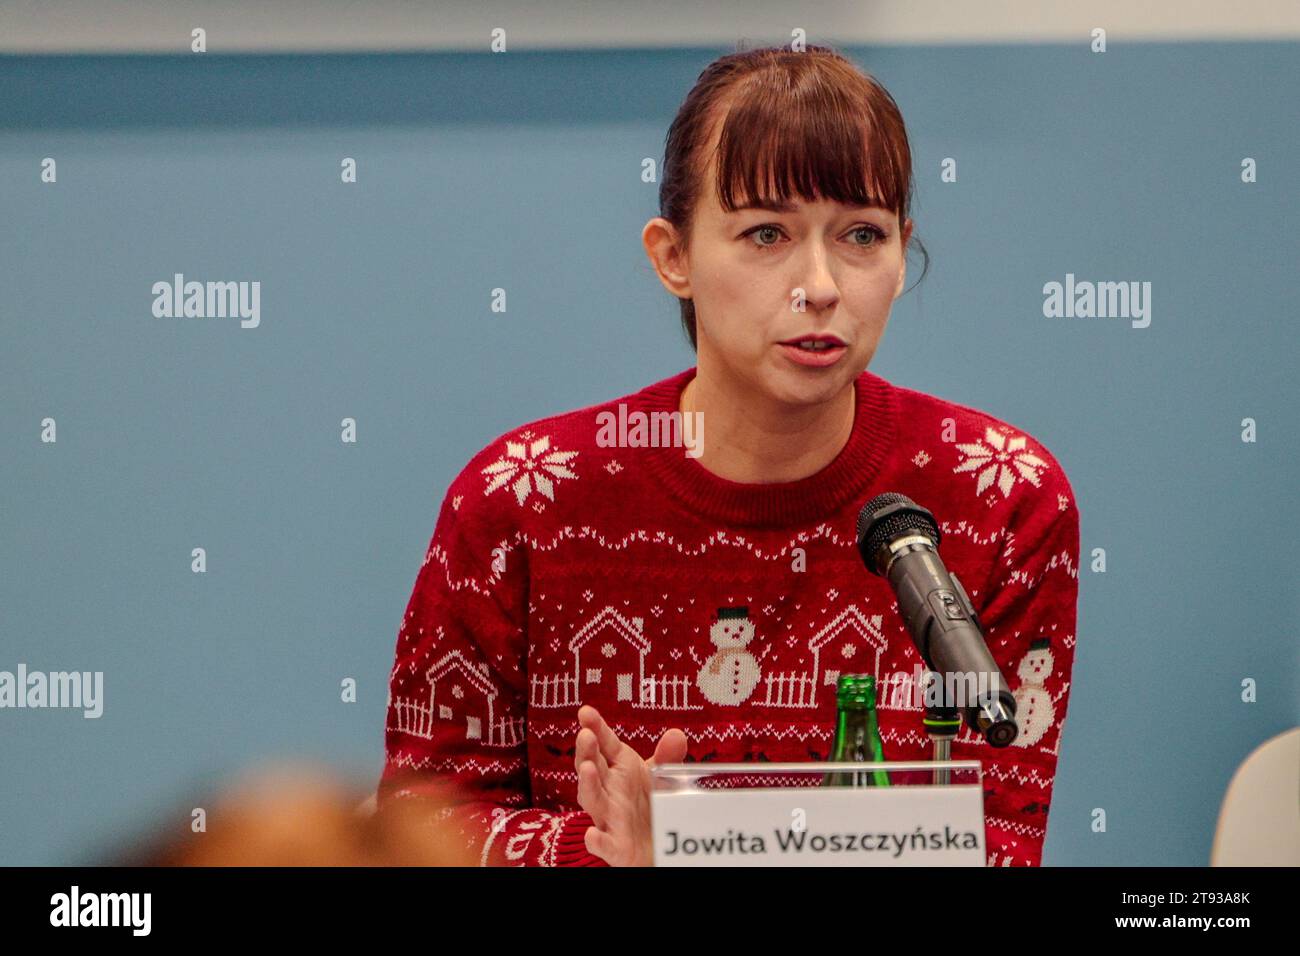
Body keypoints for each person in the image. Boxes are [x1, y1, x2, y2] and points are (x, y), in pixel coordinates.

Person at [377, 44, 1080, 867]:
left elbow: (999, 840)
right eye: (765, 234)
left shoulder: (1001, 495)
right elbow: (415, 834)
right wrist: (607, 851)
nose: (819, 284)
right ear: (672, 256)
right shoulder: (522, 499)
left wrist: (688, 850)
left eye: (861, 234)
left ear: (902, 253)